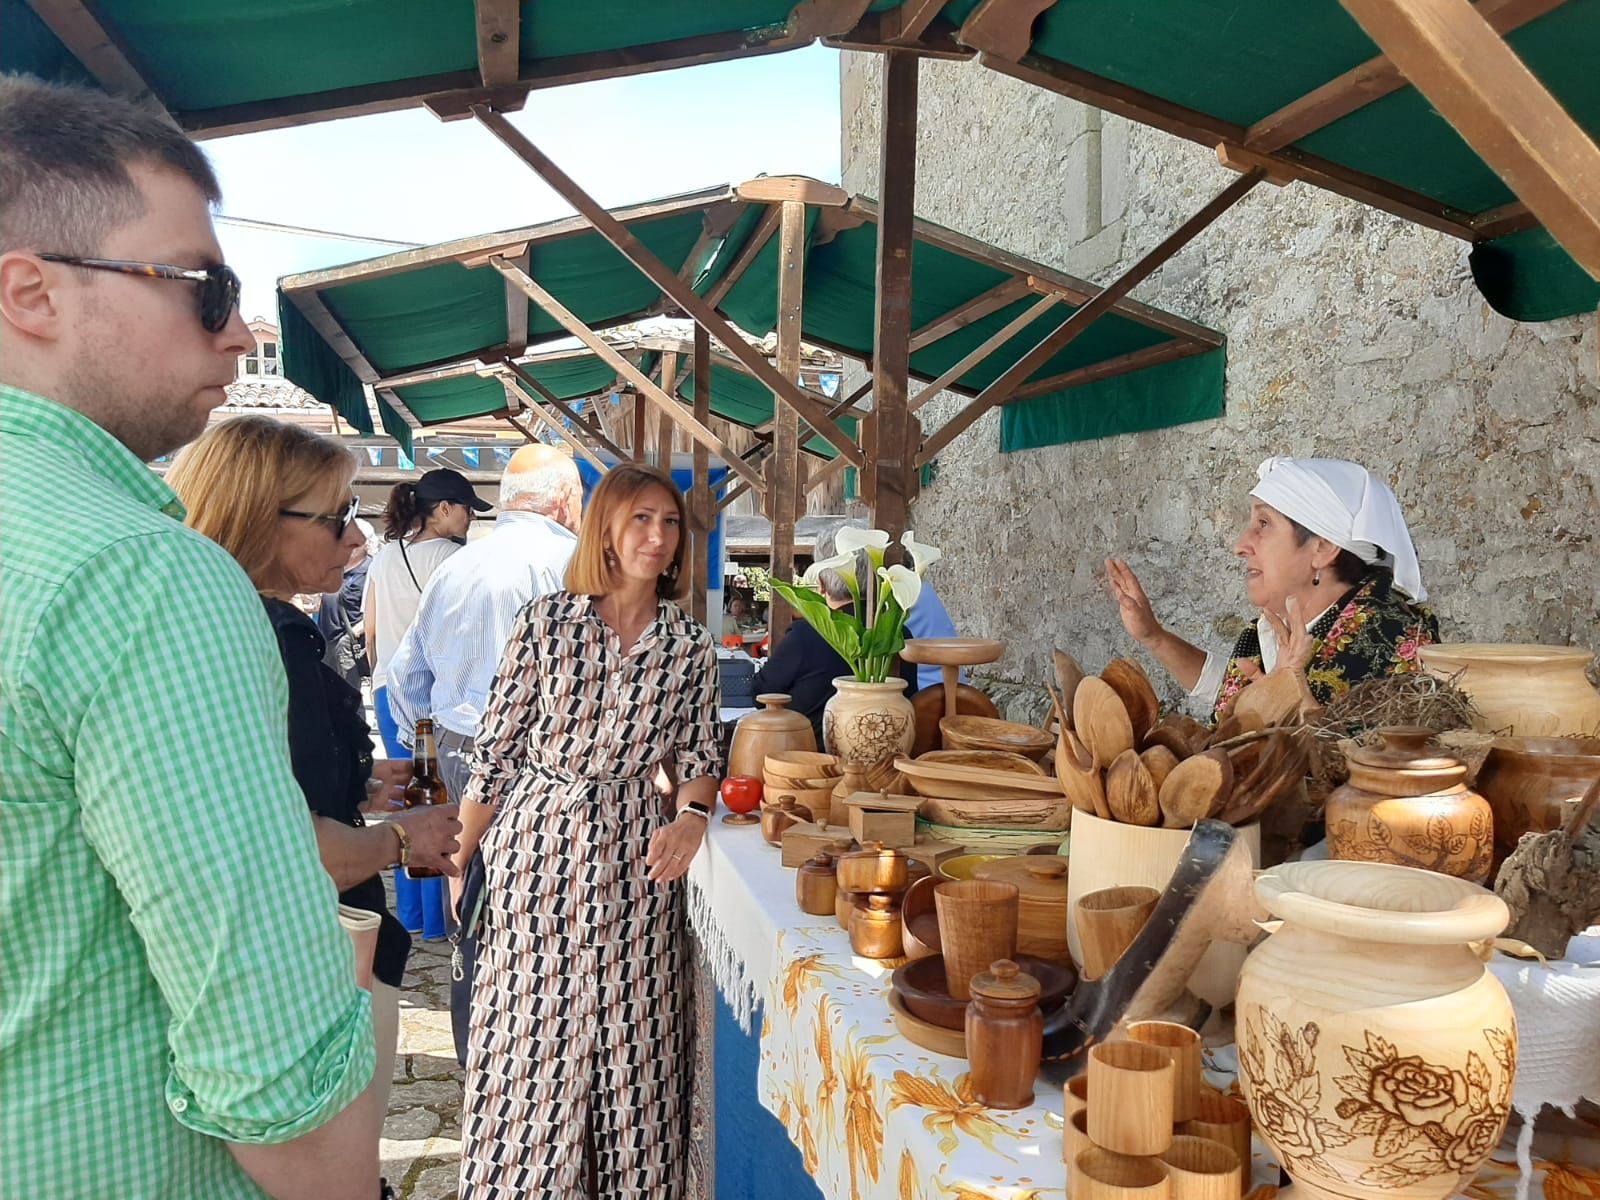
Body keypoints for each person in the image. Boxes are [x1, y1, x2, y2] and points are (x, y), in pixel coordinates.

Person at [0, 75, 379, 1198]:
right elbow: (277, 1077)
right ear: (31, 292)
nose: (240, 329)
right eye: (202, 287)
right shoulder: (138, 574)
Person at [169, 414, 464, 1157]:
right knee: (338, 1153)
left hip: (297, 958)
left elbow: (271, 783)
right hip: (313, 962)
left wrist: (358, 783)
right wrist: (402, 838)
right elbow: (285, 845)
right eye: (339, 519)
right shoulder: (260, 640)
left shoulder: (227, 627)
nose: (358, 539)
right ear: (262, 520)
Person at [450, 464, 723, 1198]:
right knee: (533, 1035)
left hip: (637, 852)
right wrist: (462, 854)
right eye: (641, 519)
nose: (658, 537)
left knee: (639, 1039)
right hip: (539, 848)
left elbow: (700, 756)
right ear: (604, 526)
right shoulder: (547, 621)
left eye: (669, 524)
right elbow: (497, 752)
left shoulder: (690, 645)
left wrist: (693, 818)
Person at [1107, 456, 1440, 724]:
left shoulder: (1395, 642)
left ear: (1322, 548)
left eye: (1263, 524)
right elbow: (1235, 685)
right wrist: (1154, 636)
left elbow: (1389, 772)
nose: (1241, 545)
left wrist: (1295, 703)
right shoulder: (1275, 628)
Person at [388, 443, 582, 800]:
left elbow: (406, 672)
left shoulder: (455, 565)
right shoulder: (572, 562)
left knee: (462, 855)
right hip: (536, 764)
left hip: (454, 748)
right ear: (566, 498)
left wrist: (432, 744)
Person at [366, 467, 487, 939]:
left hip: (385, 689)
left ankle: (412, 918)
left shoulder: (384, 557)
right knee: (440, 803)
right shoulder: (454, 560)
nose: (470, 520)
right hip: (432, 695)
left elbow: (371, 630)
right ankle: (441, 922)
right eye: (466, 510)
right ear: (442, 510)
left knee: (404, 803)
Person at [754, 564, 918, 746]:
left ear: (822, 585)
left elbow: (762, 691)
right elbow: (910, 694)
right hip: (888, 752)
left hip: (813, 756)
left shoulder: (806, 634)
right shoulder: (898, 633)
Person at [319, 517, 375, 689]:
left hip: (349, 643)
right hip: (326, 639)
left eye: (356, 542)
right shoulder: (335, 567)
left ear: (367, 544)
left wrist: (354, 634)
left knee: (348, 696)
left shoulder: (371, 570)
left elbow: (377, 609)